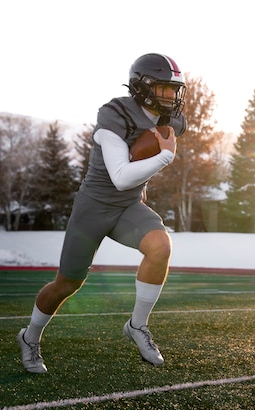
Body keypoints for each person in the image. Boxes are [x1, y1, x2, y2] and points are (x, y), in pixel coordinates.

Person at [17, 53, 187, 373]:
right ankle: (30, 336)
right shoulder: (114, 113)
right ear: (142, 85)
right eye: (163, 88)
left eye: (174, 89)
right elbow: (120, 175)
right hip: (93, 207)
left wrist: (146, 176)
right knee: (68, 284)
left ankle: (137, 326)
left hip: (127, 206)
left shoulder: (173, 120)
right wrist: (163, 157)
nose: (170, 96)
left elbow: (135, 173)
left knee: (160, 246)